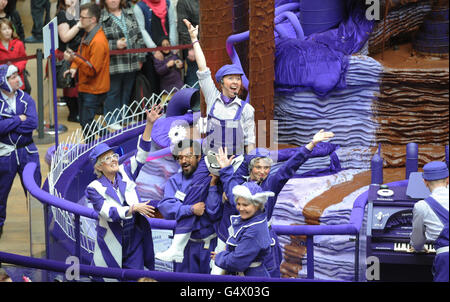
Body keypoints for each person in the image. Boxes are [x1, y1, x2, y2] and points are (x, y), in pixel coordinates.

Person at [211, 129, 336, 277]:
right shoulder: (242, 188)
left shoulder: (272, 183)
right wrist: (225, 169)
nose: (263, 171)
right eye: (258, 167)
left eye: (266, 167)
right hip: (240, 241)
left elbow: (289, 167)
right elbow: (231, 186)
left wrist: (311, 144)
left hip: (264, 240)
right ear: (251, 167)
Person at [85, 104, 162, 277]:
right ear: (99, 166)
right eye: (107, 158)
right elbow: (108, 212)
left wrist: (149, 125)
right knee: (110, 278)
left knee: (137, 276)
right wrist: (133, 208)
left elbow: (141, 154)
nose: (113, 160)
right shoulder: (94, 188)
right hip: (113, 240)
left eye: (114, 156)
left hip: (134, 238)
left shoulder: (125, 172)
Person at [183, 18, 256, 155]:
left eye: (238, 79)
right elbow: (203, 68)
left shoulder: (247, 109)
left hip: (234, 162)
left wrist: (249, 166)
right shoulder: (212, 97)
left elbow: (249, 142)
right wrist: (194, 39)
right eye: (231, 78)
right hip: (211, 159)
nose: (236, 82)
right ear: (221, 83)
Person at [156, 139, 221, 273]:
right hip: (186, 245)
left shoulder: (211, 177)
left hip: (209, 244)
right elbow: (166, 207)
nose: (184, 161)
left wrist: (213, 185)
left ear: (198, 157)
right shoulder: (175, 180)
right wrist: (190, 209)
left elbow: (214, 211)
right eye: (180, 158)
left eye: (188, 156)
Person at [0, 64, 41, 239]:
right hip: (4, 155)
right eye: (13, 77)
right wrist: (18, 119)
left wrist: (8, 124)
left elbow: (33, 123)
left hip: (28, 152)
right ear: (4, 81)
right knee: (0, 194)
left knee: (35, 193)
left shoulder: (26, 98)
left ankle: (39, 228)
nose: (18, 79)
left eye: (18, 75)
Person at [64, 2, 110, 139]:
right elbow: (80, 53)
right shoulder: (88, 34)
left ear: (93, 19)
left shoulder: (99, 41)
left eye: (83, 17)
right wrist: (73, 68)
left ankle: (108, 138)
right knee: (85, 121)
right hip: (86, 87)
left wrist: (73, 59)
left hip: (94, 89)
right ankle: (91, 147)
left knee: (86, 121)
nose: (80, 20)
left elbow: (92, 70)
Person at [99, 0, 147, 131]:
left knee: (127, 92)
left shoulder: (129, 13)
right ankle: (111, 119)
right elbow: (98, 43)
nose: (113, 1)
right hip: (113, 64)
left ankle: (124, 117)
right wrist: (115, 45)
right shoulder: (101, 18)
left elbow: (139, 36)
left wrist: (141, 57)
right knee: (113, 93)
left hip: (132, 61)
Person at [210, 181, 274, 277]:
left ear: (257, 205)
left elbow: (237, 262)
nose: (240, 208)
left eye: (245, 205)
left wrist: (220, 257)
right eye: (238, 204)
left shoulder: (255, 228)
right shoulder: (249, 220)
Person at [410, 161, 449, 282]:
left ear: (425, 182)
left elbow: (417, 241)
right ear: (448, 179)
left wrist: (418, 248)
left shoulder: (422, 206)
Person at [133, 0, 178, 96]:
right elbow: (141, 29)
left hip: (169, 51)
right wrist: (154, 50)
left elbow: (172, 23)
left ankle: (172, 109)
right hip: (151, 54)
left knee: (173, 84)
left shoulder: (167, 3)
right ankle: (156, 110)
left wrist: (173, 47)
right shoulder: (139, 7)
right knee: (154, 86)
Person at [56, 0, 85, 123]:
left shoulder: (80, 11)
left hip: (82, 53)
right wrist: (79, 25)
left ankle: (80, 112)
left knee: (80, 85)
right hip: (68, 54)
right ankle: (73, 114)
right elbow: (65, 36)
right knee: (70, 85)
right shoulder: (62, 14)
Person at [176, 0, 199, 88]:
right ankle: (194, 101)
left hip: (209, 45)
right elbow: (182, 27)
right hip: (193, 45)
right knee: (194, 81)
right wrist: (191, 47)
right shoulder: (183, 2)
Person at [0, 19, 27, 92]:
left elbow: (23, 59)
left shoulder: (19, 44)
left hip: (16, 77)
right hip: (2, 80)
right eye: (4, 29)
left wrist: (17, 68)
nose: (7, 31)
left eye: (9, 28)